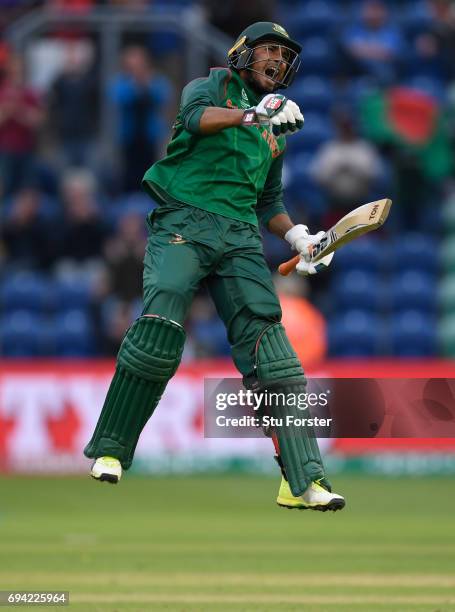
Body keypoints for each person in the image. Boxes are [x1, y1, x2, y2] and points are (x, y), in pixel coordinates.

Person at [85, 22, 345, 512]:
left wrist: (297, 237)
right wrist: (251, 113)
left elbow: (269, 201)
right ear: (242, 54)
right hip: (184, 219)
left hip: (241, 238)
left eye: (284, 56)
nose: (277, 62)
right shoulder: (210, 86)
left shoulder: (277, 132)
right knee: (161, 329)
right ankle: (111, 450)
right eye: (269, 50)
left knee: (276, 358)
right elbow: (196, 118)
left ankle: (303, 480)